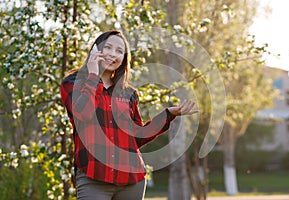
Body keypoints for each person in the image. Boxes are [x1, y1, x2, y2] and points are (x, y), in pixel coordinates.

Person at [60, 30, 198, 200]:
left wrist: (168, 114)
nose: (113, 54)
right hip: (93, 177)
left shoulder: (129, 93)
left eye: (119, 51)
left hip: (131, 181)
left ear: (124, 58)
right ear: (96, 50)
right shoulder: (73, 84)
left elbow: (137, 137)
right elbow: (83, 114)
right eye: (108, 47)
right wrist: (93, 75)